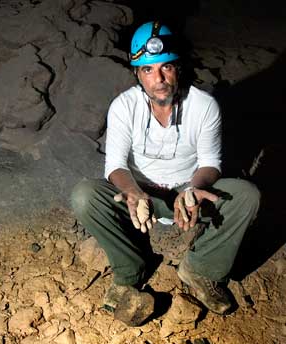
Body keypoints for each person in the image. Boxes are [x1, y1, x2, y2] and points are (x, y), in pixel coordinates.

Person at [71, 21, 260, 326]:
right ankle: (131, 269)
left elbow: (211, 161)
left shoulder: (204, 106)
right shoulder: (123, 107)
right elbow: (115, 165)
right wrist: (133, 192)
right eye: (147, 70)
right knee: (84, 196)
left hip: (187, 196)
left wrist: (195, 188)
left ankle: (202, 269)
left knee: (247, 196)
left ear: (178, 68)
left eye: (166, 68)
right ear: (137, 73)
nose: (158, 79)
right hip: (144, 198)